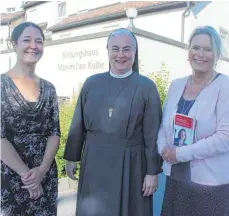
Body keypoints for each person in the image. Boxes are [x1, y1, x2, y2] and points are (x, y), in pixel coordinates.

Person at [64, 28, 162, 216]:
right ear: (107, 50)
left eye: (127, 49)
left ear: (135, 52)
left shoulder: (146, 87)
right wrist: (71, 157)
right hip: (94, 162)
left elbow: (152, 133)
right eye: (115, 49)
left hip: (131, 164)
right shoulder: (91, 83)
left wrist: (152, 172)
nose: (120, 55)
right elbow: (78, 123)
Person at [157, 26, 229, 216]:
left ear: (217, 54)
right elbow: (164, 125)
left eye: (207, 49)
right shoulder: (176, 85)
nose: (201, 54)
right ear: (188, 52)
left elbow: (225, 138)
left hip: (209, 186)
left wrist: (179, 153)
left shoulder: (224, 86)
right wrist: (163, 149)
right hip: (176, 179)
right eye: (196, 48)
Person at [1, 22, 60, 216]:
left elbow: (54, 133)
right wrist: (28, 176)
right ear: (13, 44)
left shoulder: (50, 88)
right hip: (10, 176)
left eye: (39, 41)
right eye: (27, 40)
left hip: (45, 176)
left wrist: (42, 171)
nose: (33, 45)